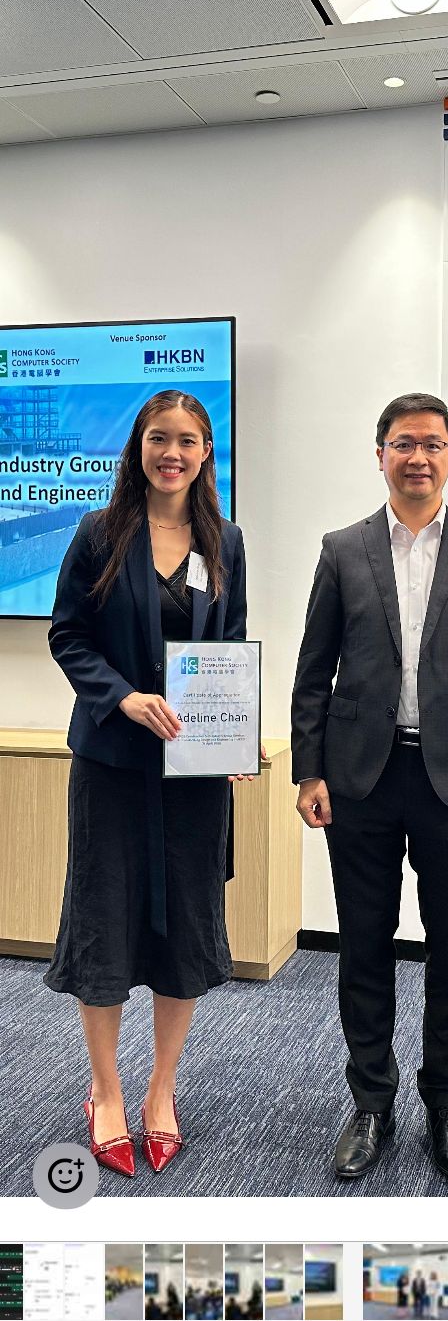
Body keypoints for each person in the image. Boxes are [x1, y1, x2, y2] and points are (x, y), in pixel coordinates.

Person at [292, 392, 448, 1184]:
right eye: (403, 444)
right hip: (360, 776)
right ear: (381, 454)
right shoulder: (343, 548)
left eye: (432, 444)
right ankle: (371, 1102)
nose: (418, 457)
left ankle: (446, 1102)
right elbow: (312, 670)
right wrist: (308, 768)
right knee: (364, 945)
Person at [45, 389, 250, 1179]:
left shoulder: (223, 538)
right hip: (113, 767)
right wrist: (120, 696)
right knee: (103, 923)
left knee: (186, 929)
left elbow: (228, 646)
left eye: (188, 440)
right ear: (139, 448)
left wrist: (233, 729)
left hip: (194, 775)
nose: (172, 452)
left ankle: (161, 1090)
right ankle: (105, 1091)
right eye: (159, 438)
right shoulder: (100, 533)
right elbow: (68, 633)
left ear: (205, 454)